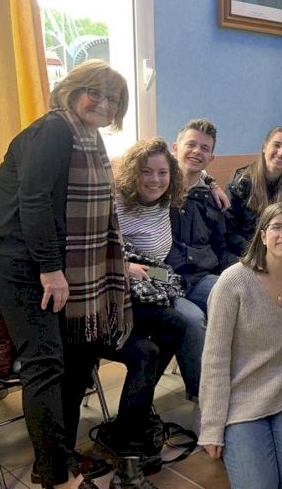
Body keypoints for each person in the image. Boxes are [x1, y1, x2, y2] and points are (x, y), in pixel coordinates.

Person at [0, 60, 131, 489]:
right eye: (94, 92)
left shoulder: (87, 139)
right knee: (46, 361)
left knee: (78, 352)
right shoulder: (53, 130)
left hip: (45, 259)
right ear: (72, 89)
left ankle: (60, 454)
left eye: (113, 99)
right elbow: (33, 200)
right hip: (14, 258)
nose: (103, 103)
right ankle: (55, 475)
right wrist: (51, 270)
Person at [199, 202, 282, 489]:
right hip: (241, 396)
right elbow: (215, 358)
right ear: (263, 235)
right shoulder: (232, 282)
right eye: (277, 227)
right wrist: (212, 427)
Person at [114, 139, 202, 442]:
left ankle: (137, 412)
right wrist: (124, 267)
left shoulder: (167, 197)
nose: (155, 180)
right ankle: (197, 398)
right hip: (120, 290)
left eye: (162, 172)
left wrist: (213, 184)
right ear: (132, 172)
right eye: (146, 171)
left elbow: (196, 170)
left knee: (168, 334)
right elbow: (94, 247)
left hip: (154, 280)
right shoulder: (115, 202)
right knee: (182, 324)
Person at [167, 119, 238, 316]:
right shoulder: (158, 190)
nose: (197, 151)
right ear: (175, 148)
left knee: (242, 299)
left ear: (211, 158)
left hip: (201, 278)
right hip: (164, 277)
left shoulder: (212, 198)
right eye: (191, 144)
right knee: (195, 320)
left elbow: (220, 248)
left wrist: (246, 272)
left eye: (204, 148)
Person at [226, 126, 282, 256]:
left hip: (280, 255)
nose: (281, 152)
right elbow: (229, 232)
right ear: (264, 147)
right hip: (243, 255)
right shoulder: (240, 182)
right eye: (276, 145)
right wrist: (258, 255)